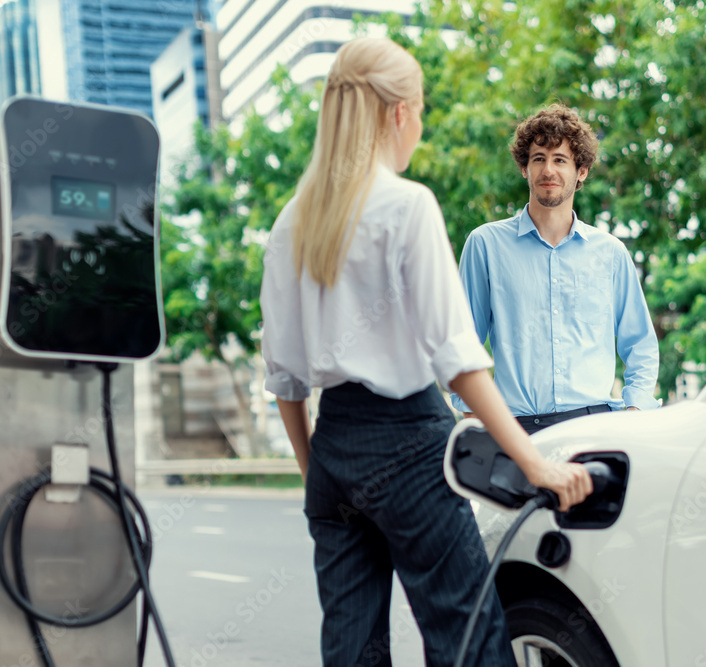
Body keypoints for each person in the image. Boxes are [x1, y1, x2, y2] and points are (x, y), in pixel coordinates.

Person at [259, 38, 592, 667]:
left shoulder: (290, 222)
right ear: (397, 114)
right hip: (408, 445)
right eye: (421, 109)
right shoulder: (405, 205)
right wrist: (537, 466)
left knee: (353, 653)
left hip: (333, 447)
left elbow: (286, 381)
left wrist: (316, 475)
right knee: (468, 641)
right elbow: (459, 362)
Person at [450, 104, 660, 434]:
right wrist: (472, 416)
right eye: (539, 158)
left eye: (560, 159)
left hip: (596, 427)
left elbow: (641, 345)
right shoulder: (485, 245)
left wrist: (634, 409)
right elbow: (463, 341)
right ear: (524, 168)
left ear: (582, 172)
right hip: (516, 431)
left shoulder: (611, 254)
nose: (549, 169)